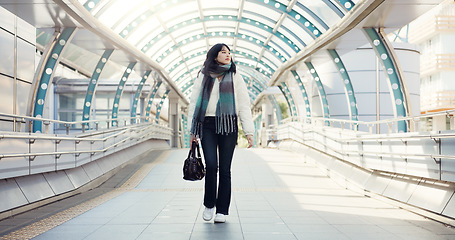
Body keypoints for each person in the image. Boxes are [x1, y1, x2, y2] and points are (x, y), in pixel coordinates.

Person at [187, 43, 254, 223]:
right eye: (223, 52)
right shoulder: (203, 75)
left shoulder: (235, 75)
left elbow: (243, 104)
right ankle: (209, 204)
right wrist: (192, 130)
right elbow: (194, 102)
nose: (228, 55)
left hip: (228, 125)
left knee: (225, 170)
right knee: (211, 165)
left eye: (229, 52)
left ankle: (222, 210)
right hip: (207, 124)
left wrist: (249, 131)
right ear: (214, 55)